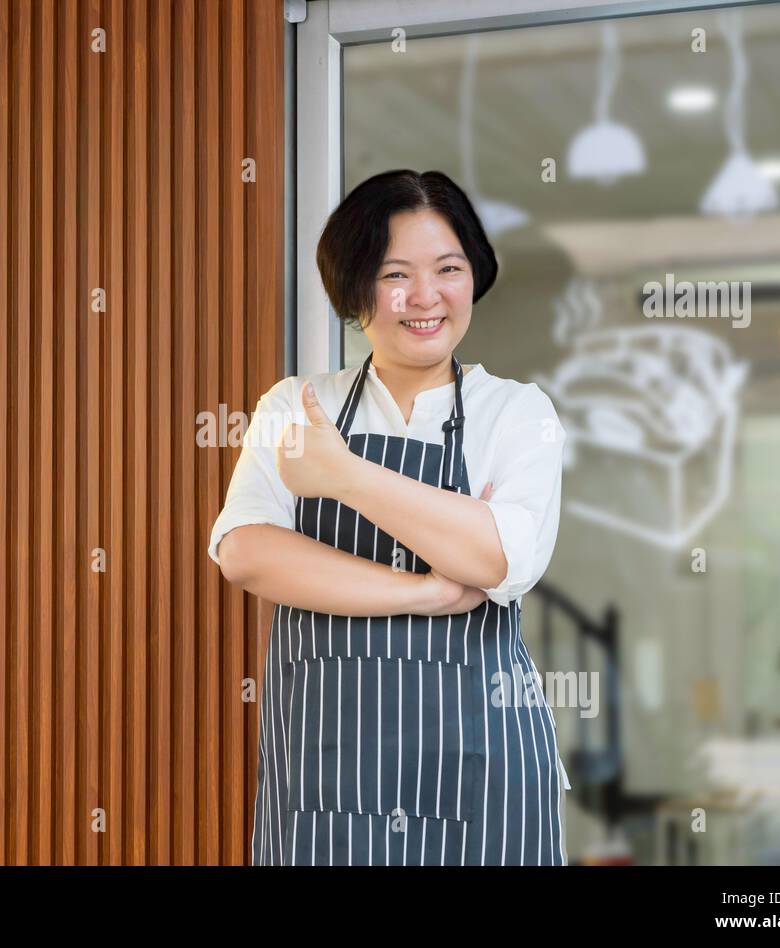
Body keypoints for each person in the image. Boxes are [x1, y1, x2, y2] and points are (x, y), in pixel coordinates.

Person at [209, 169, 571, 865]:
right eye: (393, 273)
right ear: (355, 286)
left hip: (482, 765)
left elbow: (499, 559)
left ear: (475, 277)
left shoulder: (517, 412)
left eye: (448, 268)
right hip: (327, 770)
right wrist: (426, 591)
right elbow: (247, 552)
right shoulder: (296, 404)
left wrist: (341, 475)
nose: (425, 297)